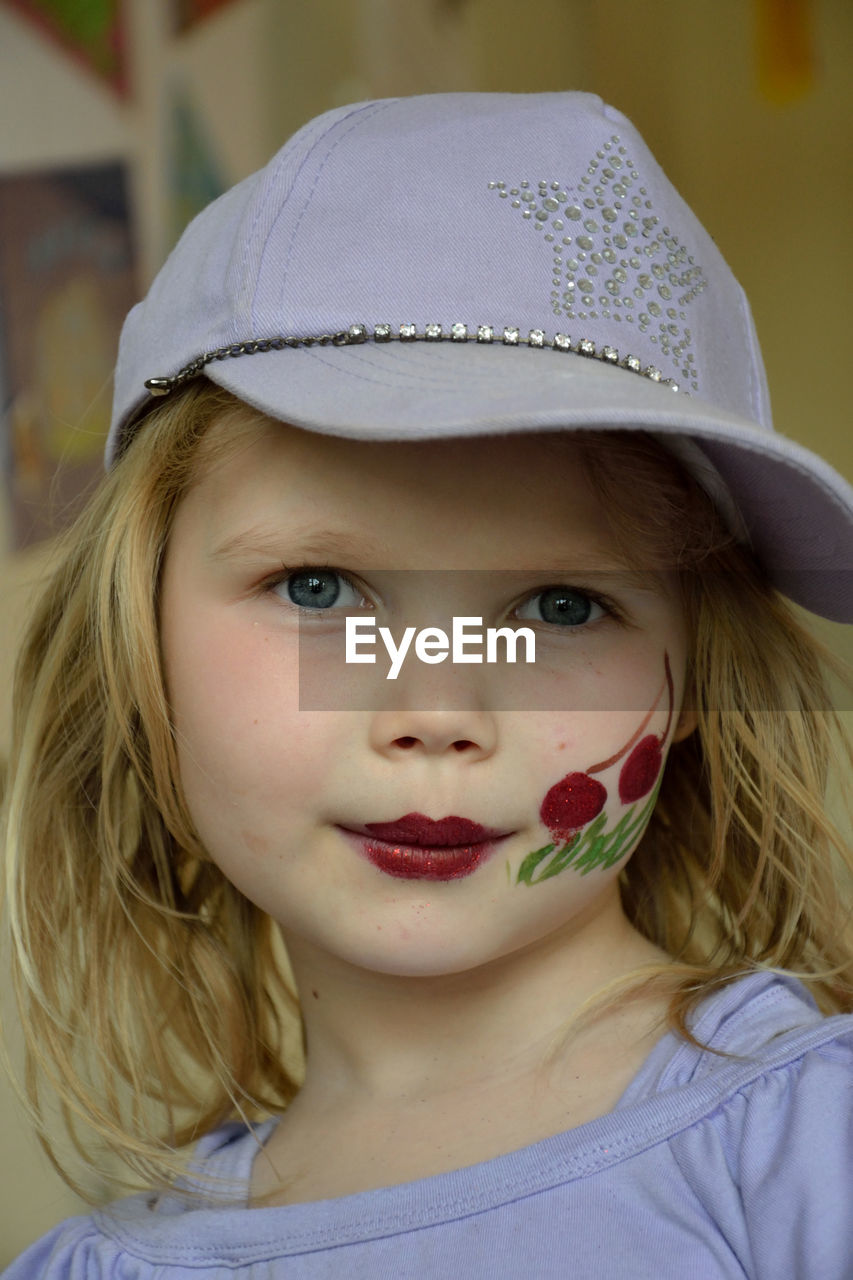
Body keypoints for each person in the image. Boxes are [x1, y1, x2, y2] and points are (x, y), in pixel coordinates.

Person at [2, 91, 852, 1279]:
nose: (437, 712)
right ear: (137, 631)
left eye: (559, 606)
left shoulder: (811, 1149)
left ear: (698, 669)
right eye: (317, 588)